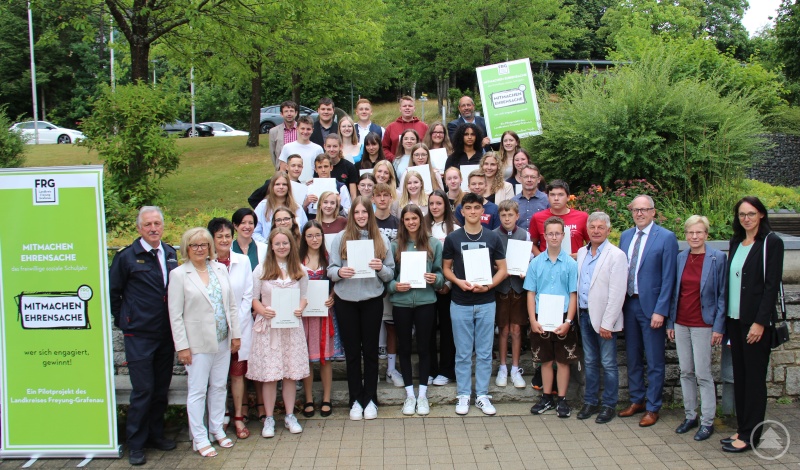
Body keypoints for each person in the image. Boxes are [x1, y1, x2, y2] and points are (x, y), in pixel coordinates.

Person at [109, 206, 178, 466]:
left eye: (157, 224)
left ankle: (155, 435)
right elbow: (113, 293)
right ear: (139, 228)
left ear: (163, 226)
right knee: (143, 390)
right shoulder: (127, 257)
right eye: (148, 224)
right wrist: (125, 320)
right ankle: (135, 444)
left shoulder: (170, 253)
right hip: (139, 334)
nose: (153, 228)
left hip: (165, 332)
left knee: (161, 389)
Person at [169, 228, 241, 457]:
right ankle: (199, 438)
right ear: (186, 249)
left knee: (219, 387)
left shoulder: (219, 268)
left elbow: (231, 304)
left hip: (222, 339)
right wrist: (182, 347)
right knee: (198, 391)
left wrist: (236, 334)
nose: (200, 249)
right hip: (197, 344)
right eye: (194, 245)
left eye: (203, 245)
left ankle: (217, 429)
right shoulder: (180, 274)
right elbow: (175, 315)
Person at [721, 196, 783, 453]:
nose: (746, 218)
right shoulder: (737, 241)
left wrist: (760, 322)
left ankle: (751, 435)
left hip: (755, 323)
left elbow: (771, 286)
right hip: (735, 321)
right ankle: (743, 428)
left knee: (754, 381)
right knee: (741, 377)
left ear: (761, 215)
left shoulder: (771, 242)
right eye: (742, 214)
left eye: (751, 213)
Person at [328, 197, 395, 420]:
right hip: (346, 300)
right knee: (353, 353)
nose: (360, 216)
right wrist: (340, 273)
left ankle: (371, 399)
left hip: (371, 299)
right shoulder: (340, 238)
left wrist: (380, 268)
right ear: (351, 215)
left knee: (371, 351)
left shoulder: (381, 238)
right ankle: (355, 399)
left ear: (370, 213)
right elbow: (331, 269)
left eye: (364, 212)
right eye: (356, 212)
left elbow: (390, 273)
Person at [442, 192, 507, 416]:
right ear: (462, 211)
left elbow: (503, 270)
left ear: (482, 211)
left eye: (476, 208)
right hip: (460, 301)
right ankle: (463, 394)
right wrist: (458, 282)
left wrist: (488, 286)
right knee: (462, 352)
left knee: (484, 351)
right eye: (467, 208)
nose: (472, 212)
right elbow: (446, 268)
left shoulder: (492, 237)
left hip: (486, 301)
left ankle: (481, 395)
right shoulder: (453, 238)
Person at [617, 195, 678, 427]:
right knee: (632, 357)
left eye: (644, 210)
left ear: (653, 212)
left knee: (654, 360)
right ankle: (637, 400)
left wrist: (661, 311)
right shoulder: (626, 236)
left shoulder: (666, 238)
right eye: (636, 210)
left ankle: (653, 407)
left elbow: (669, 277)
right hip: (629, 304)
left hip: (652, 307)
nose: (639, 213)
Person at [666, 215, 727, 441]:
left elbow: (723, 295)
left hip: (704, 324)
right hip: (681, 322)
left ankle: (707, 421)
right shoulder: (681, 257)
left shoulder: (717, 258)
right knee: (685, 372)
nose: (694, 236)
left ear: (706, 235)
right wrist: (671, 322)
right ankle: (690, 416)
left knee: (703, 374)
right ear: (686, 234)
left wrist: (718, 327)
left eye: (699, 232)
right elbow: (675, 292)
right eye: (691, 232)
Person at [248, 227, 310, 438]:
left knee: (290, 374)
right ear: (271, 246)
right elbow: (253, 298)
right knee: (270, 375)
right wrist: (262, 311)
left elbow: (304, 296)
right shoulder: (261, 269)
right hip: (269, 328)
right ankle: (269, 418)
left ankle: (290, 415)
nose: (282, 247)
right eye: (278, 243)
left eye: (286, 243)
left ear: (291, 245)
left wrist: (300, 308)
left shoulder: (299, 269)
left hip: (291, 329)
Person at [388, 205, 444, 415]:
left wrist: (435, 279)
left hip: (425, 302)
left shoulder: (433, 244)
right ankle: (409, 395)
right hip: (401, 303)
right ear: (402, 222)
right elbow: (388, 277)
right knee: (404, 348)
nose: (411, 222)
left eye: (415, 218)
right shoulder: (395, 246)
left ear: (421, 220)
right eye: (407, 219)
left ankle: (422, 395)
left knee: (424, 348)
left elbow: (441, 275)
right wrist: (395, 286)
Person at [575, 212, 627, 424]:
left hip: (605, 320)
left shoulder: (616, 255)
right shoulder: (581, 252)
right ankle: (590, 401)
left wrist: (608, 323)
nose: (596, 230)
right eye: (593, 227)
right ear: (587, 229)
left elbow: (617, 293)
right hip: (584, 315)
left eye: (600, 227)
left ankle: (608, 405)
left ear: (608, 230)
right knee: (589, 361)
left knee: (608, 363)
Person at [526, 217, 579, 418]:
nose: (554, 237)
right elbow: (530, 292)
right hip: (541, 317)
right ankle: (547, 396)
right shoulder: (536, 263)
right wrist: (532, 319)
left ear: (563, 236)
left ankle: (562, 399)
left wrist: (569, 321)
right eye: (550, 233)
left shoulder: (571, 264)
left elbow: (573, 294)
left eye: (558, 233)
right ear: (545, 236)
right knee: (545, 359)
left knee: (563, 360)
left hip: (564, 316)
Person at [207, 218, 254, 440]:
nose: (225, 240)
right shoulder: (205, 264)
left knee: (237, 374)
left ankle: (237, 416)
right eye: (219, 236)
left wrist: (235, 325)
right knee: (216, 377)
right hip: (213, 330)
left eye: (227, 236)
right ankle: (220, 416)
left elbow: (248, 295)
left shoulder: (243, 261)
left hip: (240, 327)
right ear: (212, 240)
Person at [299, 220, 340, 419]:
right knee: (306, 358)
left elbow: (336, 280)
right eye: (310, 235)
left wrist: (332, 296)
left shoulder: (328, 257)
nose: (314, 239)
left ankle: (326, 398)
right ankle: (308, 398)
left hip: (324, 313)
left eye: (317, 235)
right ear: (304, 238)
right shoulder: (297, 259)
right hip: (304, 315)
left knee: (325, 359)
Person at [230, 207, 267, 420]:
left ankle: (262, 404)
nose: (247, 226)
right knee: (239, 362)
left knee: (258, 360)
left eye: (251, 223)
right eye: (242, 223)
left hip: (260, 313)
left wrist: (259, 308)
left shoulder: (262, 249)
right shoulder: (228, 249)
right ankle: (242, 404)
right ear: (235, 226)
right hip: (238, 315)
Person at [493, 200, 529, 389]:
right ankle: (503, 367)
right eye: (503, 215)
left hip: (518, 288)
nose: (507, 218)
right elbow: (490, 262)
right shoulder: (493, 235)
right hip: (500, 289)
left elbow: (527, 260)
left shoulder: (524, 235)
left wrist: (525, 270)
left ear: (517, 216)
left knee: (516, 329)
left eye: (510, 215)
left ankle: (515, 368)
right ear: (499, 216)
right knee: (503, 329)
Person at [425, 190, 459, 386]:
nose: (435, 207)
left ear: (446, 205)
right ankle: (429, 370)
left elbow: (456, 260)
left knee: (447, 329)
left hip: (448, 287)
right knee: (427, 329)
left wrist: (447, 283)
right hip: (426, 286)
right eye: (432, 203)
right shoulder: (422, 226)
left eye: (439, 203)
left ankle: (447, 370)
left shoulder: (454, 228)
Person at [373, 184, 402, 385]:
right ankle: (374, 369)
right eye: (378, 196)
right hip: (371, 281)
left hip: (392, 277)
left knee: (392, 326)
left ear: (391, 198)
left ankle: (391, 369)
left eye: (386, 195)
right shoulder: (368, 223)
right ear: (373, 198)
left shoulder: (398, 222)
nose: (382, 199)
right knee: (372, 326)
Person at [528, 179, 588, 257]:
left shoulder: (582, 217)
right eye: (552, 195)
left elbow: (592, 244)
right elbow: (532, 244)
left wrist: (580, 255)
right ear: (548, 197)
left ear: (568, 197)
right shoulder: (537, 217)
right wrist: (541, 258)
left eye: (560, 195)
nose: (556, 198)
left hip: (574, 264)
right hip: (547, 266)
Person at [253, 172, 307, 243]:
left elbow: (305, 231)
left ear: (288, 187)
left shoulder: (297, 207)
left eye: (284, 184)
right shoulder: (263, 206)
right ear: (272, 186)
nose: (281, 187)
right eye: (277, 184)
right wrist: (268, 244)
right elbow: (254, 232)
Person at [382, 95, 429, 161]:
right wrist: (394, 159)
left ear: (414, 108)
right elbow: (384, 148)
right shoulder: (391, 127)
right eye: (404, 106)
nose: (407, 108)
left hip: (419, 164)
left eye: (410, 106)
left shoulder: (424, 127)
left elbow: (429, 146)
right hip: (396, 165)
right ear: (400, 109)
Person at [278, 116, 323, 182]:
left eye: (308, 129)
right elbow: (282, 171)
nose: (305, 132)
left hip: (311, 186)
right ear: (297, 128)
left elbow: (322, 170)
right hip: (292, 185)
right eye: (302, 128)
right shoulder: (287, 147)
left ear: (312, 130)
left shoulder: (318, 149)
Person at [307, 154, 352, 218]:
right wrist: (306, 203)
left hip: (335, 221)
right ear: (315, 170)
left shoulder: (341, 187)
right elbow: (303, 213)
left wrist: (339, 205)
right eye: (320, 167)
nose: (323, 170)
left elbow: (348, 214)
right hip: (315, 222)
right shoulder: (310, 187)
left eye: (326, 166)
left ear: (331, 167)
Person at [511, 164, 549, 231]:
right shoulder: (513, 202)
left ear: (539, 179)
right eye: (526, 177)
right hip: (519, 240)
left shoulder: (547, 200)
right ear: (520, 179)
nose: (529, 180)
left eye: (533, 177)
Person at [322, 133, 359, 199]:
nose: (331, 149)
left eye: (335, 146)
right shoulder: (321, 167)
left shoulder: (349, 167)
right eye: (329, 146)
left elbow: (353, 195)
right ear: (324, 146)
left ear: (341, 147)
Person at [269, 100, 298, 170]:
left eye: (291, 111)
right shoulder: (274, 131)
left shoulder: (302, 130)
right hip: (282, 169)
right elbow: (273, 153)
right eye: (286, 111)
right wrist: (278, 167)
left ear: (296, 113)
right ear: (281, 114)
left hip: (299, 167)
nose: (289, 114)